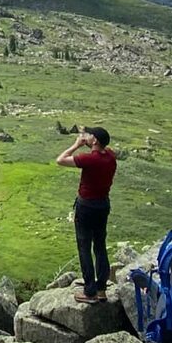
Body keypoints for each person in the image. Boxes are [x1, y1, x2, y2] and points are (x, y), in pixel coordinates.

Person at [57, 126, 116, 303]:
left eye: (89, 135)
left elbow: (60, 160)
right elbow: (102, 151)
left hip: (86, 206)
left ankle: (89, 291)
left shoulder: (90, 159)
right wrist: (88, 143)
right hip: (103, 205)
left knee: (84, 247)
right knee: (100, 246)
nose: (86, 136)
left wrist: (75, 145)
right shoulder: (110, 156)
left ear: (95, 141)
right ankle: (101, 289)